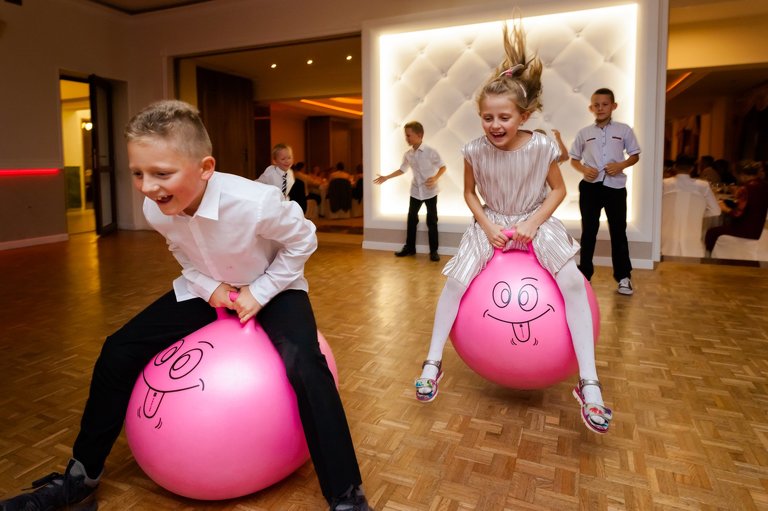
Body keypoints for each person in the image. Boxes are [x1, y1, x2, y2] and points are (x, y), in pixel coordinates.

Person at [0, 100, 371, 511]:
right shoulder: (155, 208)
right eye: (138, 173)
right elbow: (184, 252)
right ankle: (81, 477)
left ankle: (345, 496)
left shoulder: (256, 202)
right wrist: (211, 288)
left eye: (162, 174)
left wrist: (260, 291)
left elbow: (304, 240)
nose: (147, 186)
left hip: (274, 287)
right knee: (116, 351)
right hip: (207, 289)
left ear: (206, 167)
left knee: (305, 364)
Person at [413, 20, 612, 435]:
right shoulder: (472, 150)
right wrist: (486, 227)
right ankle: (433, 362)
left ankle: (588, 382)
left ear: (524, 115)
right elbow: (469, 195)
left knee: (573, 284)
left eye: (504, 117)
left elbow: (557, 192)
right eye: (487, 117)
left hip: (535, 220)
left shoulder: (541, 146)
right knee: (454, 284)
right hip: (492, 222)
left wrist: (533, 223)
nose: (495, 125)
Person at [569, 88, 641, 295]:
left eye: (605, 104)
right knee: (588, 232)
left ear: (613, 106)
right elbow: (574, 158)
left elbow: (635, 155)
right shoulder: (584, 133)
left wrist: (622, 165)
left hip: (615, 187)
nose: (600, 108)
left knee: (618, 232)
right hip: (590, 188)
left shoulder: (624, 130)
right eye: (596, 105)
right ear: (591, 108)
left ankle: (624, 277)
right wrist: (584, 169)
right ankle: (585, 275)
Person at [373, 121, 447, 261]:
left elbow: (443, 167)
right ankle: (410, 248)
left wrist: (436, 177)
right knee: (411, 219)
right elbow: (402, 169)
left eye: (409, 135)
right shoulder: (408, 154)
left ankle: (434, 251)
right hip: (415, 191)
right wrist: (386, 177)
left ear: (419, 135)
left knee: (432, 221)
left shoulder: (430, 151)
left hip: (430, 191)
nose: (406, 138)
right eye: (406, 136)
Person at [705, 160, 768, 252]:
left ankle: (711, 260)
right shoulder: (763, 185)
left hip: (745, 229)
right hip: (757, 228)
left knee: (711, 232)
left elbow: (737, 214)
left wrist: (725, 208)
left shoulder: (746, 188)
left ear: (742, 174)